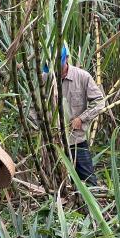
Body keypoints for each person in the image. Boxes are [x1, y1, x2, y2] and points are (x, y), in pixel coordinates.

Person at [44, 45, 104, 185]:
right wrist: (41, 126)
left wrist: (81, 118)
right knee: (57, 183)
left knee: (89, 182)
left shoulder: (82, 77)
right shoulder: (45, 78)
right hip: (53, 142)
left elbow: (99, 102)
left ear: (67, 59)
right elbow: (32, 106)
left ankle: (90, 205)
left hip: (76, 140)